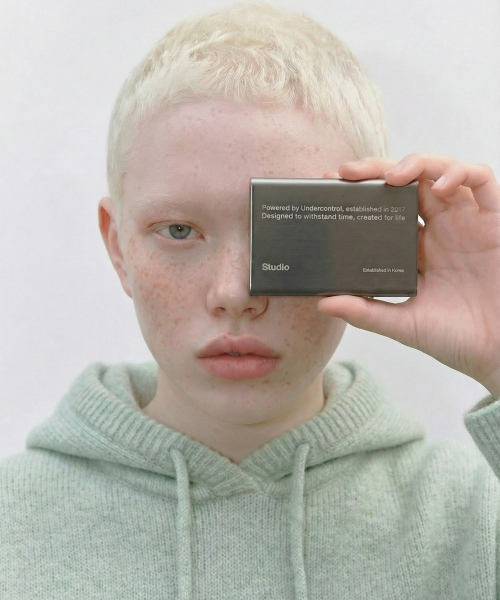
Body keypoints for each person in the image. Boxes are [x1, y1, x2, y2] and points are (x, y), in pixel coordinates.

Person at [1, 2, 500, 598]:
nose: (234, 294)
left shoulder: (476, 513)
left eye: (290, 231)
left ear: (364, 230)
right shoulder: (12, 522)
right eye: (179, 231)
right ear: (118, 247)